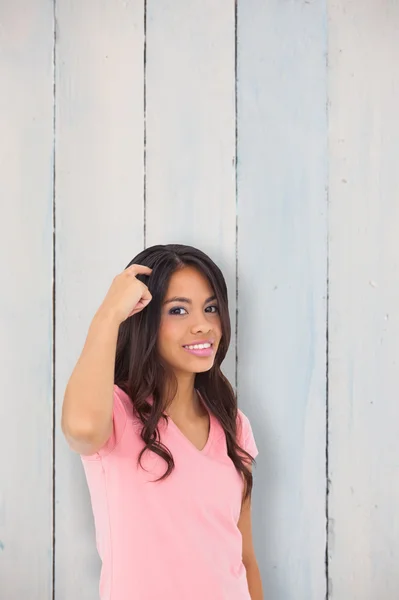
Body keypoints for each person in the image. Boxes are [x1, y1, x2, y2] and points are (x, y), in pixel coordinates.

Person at [61, 243, 263, 600]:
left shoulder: (233, 424)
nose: (202, 325)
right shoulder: (117, 413)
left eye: (211, 308)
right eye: (178, 310)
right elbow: (80, 430)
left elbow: (244, 557)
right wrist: (108, 314)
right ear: (144, 319)